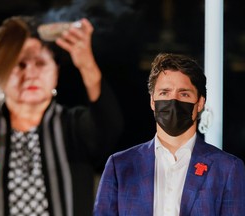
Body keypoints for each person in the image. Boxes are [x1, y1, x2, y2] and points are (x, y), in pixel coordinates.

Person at [0, 16, 123, 216]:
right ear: (0, 73)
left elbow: (109, 128)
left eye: (40, 63)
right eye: (19, 65)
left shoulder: (72, 127)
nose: (30, 74)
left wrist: (86, 64)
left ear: (56, 72)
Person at [93, 53, 245, 215]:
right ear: (152, 101)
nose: (173, 101)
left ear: (200, 103)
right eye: (165, 93)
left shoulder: (227, 168)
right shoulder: (121, 166)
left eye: (184, 94)